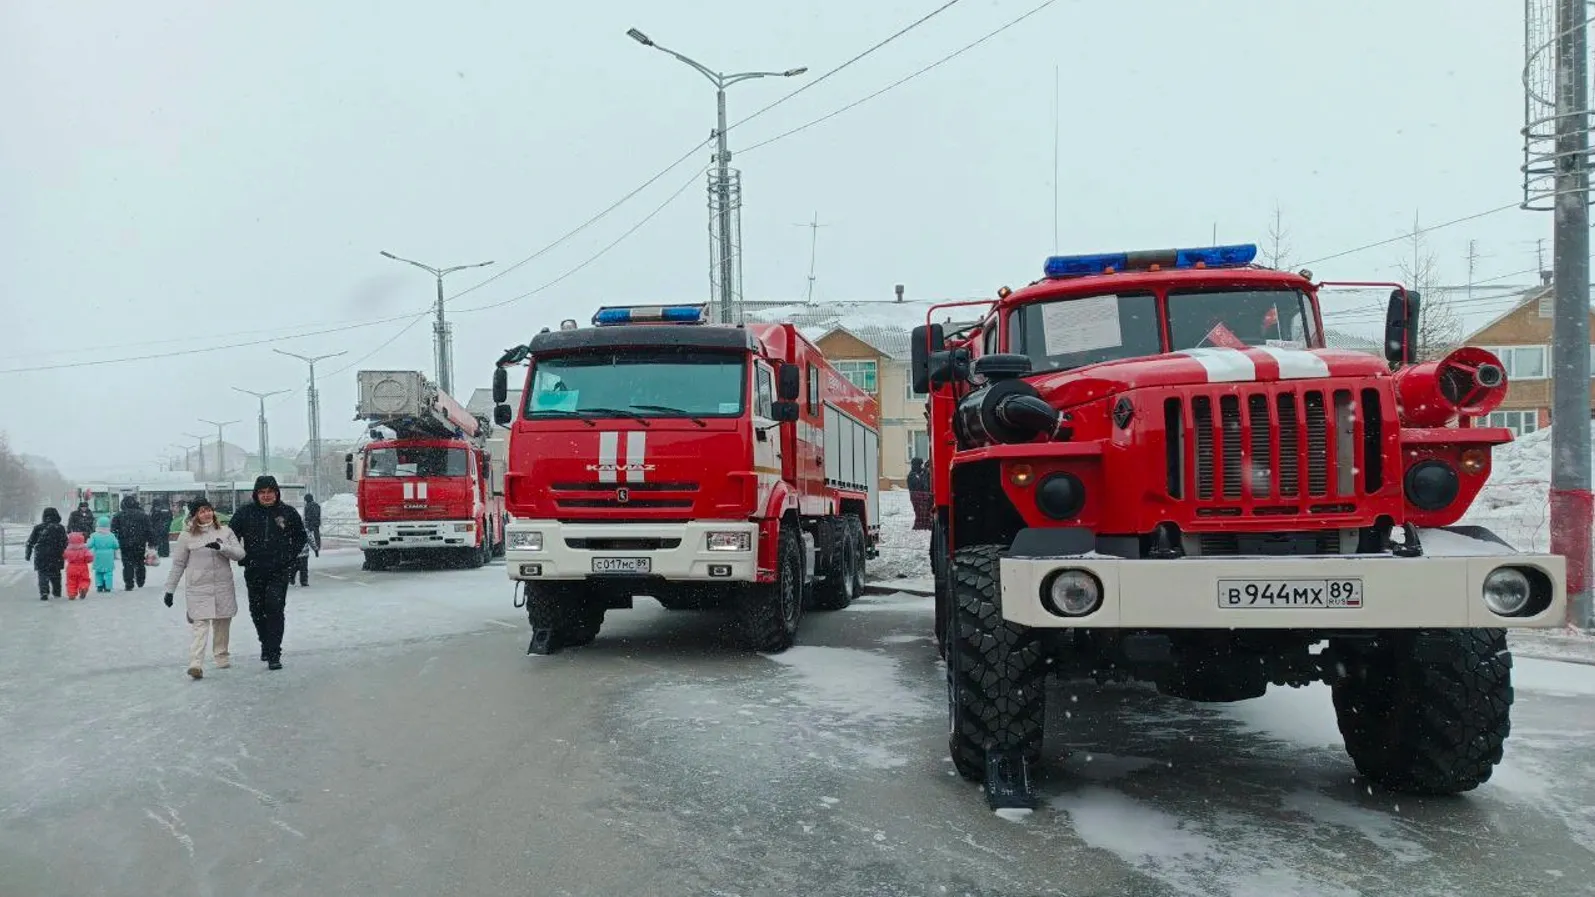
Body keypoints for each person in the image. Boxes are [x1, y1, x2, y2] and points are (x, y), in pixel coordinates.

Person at [226, 476, 307, 670]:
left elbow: (300, 537)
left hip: (279, 570)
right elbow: (230, 536)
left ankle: (274, 653)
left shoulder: (287, 512)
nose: (266, 496)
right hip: (254, 569)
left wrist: (289, 556)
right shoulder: (245, 513)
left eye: (270, 492)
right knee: (257, 610)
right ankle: (265, 642)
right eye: (262, 492)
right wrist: (242, 556)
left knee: (275, 607)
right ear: (256, 494)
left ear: (276, 493)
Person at [163, 498, 245, 680]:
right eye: (201, 511)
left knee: (223, 622)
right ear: (194, 516)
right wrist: (170, 590)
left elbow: (240, 554)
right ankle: (195, 663)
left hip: (223, 586)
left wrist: (222, 547)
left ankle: (221, 655)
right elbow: (178, 564)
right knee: (200, 626)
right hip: (198, 588)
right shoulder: (186, 536)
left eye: (208, 509)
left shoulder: (225, 531)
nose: (206, 513)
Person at [110, 496, 155, 591]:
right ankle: (140, 580)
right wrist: (151, 541)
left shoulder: (118, 516)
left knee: (127, 564)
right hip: (140, 543)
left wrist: (115, 541)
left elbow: (113, 530)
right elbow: (149, 530)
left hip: (125, 543)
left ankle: (129, 583)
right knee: (140, 562)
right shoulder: (143, 515)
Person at [24, 508, 68, 601]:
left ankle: (44, 591)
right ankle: (57, 592)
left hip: (41, 554)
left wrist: (28, 554)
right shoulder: (60, 528)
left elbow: (30, 542)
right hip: (56, 554)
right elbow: (65, 542)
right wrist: (63, 551)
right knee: (56, 574)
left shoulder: (38, 528)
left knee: (42, 574)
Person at [88, 516, 120, 593]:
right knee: (108, 572)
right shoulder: (111, 535)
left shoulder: (94, 535)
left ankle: (99, 585)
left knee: (98, 572)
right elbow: (116, 545)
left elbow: (89, 545)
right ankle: (108, 587)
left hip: (98, 556)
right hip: (108, 557)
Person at [64, 532, 94, 600]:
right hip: (82, 567)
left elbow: (64, 556)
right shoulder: (84, 549)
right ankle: (83, 588)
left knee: (71, 582)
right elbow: (89, 557)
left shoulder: (68, 549)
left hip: (71, 568)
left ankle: (71, 594)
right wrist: (87, 560)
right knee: (84, 580)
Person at [906, 457, 933, 531]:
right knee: (920, 511)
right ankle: (921, 524)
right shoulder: (912, 475)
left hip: (923, 496)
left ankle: (925, 524)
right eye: (919, 465)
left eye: (921, 465)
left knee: (926, 511)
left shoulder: (922, 472)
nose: (920, 467)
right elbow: (919, 485)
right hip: (917, 496)